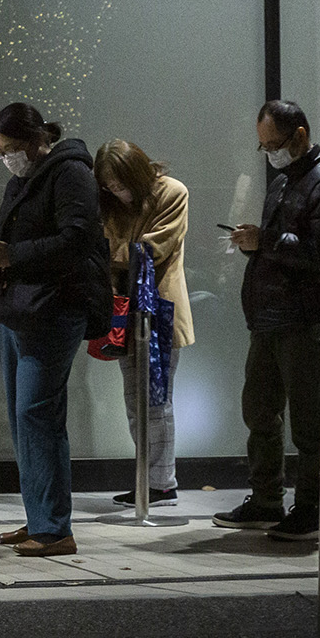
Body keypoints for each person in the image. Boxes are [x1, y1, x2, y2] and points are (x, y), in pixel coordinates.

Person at [0, 103, 110, 559]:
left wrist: (12, 256)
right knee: (23, 418)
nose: (6, 158)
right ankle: (40, 517)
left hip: (53, 309)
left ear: (36, 140)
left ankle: (54, 529)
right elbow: (18, 241)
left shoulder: (70, 173)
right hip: (19, 308)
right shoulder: (23, 180)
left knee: (38, 414)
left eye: (10, 148)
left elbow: (77, 239)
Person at [215, 99, 320, 543]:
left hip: (303, 319)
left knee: (309, 422)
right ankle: (266, 499)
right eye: (263, 146)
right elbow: (285, 247)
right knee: (259, 412)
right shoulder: (284, 180)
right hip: (269, 317)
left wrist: (266, 240)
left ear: (300, 136)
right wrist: (256, 244)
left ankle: (311, 508)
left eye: (273, 144)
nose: (269, 153)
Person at [94, 138, 193, 507]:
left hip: (159, 309)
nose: (116, 192)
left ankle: (161, 482)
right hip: (123, 311)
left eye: (119, 184)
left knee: (155, 401)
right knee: (135, 403)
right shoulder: (110, 204)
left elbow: (151, 250)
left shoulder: (172, 192)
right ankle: (148, 479)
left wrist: (104, 253)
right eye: (108, 186)